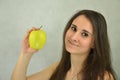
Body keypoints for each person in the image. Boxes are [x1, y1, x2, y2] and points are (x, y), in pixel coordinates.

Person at [11, 9, 116, 80]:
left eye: (84, 34)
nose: (74, 37)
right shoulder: (58, 68)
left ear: (95, 43)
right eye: (73, 28)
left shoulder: (103, 77)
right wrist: (25, 53)